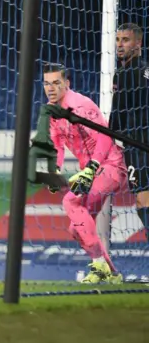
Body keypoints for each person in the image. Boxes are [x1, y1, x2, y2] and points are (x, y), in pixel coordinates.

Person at [44, 63, 124, 284]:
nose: (50, 88)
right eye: (46, 83)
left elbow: (106, 136)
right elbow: (57, 145)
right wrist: (55, 169)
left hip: (110, 166)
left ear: (67, 84)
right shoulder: (52, 111)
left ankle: (98, 264)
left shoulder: (80, 106)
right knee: (77, 228)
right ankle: (112, 274)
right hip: (90, 172)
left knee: (71, 202)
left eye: (56, 83)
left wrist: (92, 167)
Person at [110, 23, 149, 242]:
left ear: (138, 43)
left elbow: (118, 115)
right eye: (117, 40)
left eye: (125, 40)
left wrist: (105, 136)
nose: (119, 45)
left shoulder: (124, 73)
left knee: (144, 202)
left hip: (139, 145)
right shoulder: (146, 69)